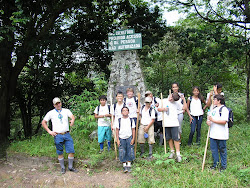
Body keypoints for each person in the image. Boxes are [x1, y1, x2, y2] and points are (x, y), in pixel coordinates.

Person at [42, 97, 78, 174]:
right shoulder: (51, 113)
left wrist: (72, 120)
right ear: (54, 105)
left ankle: (70, 167)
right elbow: (43, 122)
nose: (58, 105)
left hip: (66, 133)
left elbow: (72, 116)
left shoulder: (66, 111)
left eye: (59, 103)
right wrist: (49, 131)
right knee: (60, 152)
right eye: (56, 104)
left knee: (71, 150)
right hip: (57, 135)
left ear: (61, 103)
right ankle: (62, 167)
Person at [158, 93, 184, 162]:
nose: (170, 99)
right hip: (166, 123)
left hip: (174, 123)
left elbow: (183, 108)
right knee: (169, 138)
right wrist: (163, 109)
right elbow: (158, 109)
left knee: (176, 138)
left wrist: (183, 99)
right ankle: (172, 151)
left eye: (172, 99)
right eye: (170, 97)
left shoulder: (177, 103)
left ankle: (178, 154)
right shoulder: (163, 101)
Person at [206, 95, 229, 172]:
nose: (214, 101)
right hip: (213, 134)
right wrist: (208, 122)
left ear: (219, 101)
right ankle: (215, 164)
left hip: (221, 135)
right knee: (214, 150)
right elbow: (209, 120)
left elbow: (224, 122)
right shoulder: (213, 109)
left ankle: (223, 166)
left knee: (222, 150)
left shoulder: (224, 109)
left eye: (215, 99)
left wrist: (213, 120)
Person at [116, 107, 135, 173]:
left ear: (128, 112)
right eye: (123, 110)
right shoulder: (119, 120)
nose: (125, 112)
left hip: (129, 137)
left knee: (130, 150)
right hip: (121, 137)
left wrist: (133, 138)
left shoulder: (131, 120)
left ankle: (129, 164)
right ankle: (124, 165)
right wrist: (117, 139)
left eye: (126, 110)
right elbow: (117, 130)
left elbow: (133, 129)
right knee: (122, 151)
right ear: (121, 112)